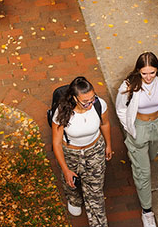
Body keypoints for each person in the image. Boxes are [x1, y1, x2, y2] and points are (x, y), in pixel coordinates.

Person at [115, 52, 158, 227]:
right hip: (139, 127)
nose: (148, 77)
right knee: (144, 172)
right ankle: (147, 211)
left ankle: (139, 161)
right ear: (138, 71)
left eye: (152, 72)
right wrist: (129, 128)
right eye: (144, 73)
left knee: (153, 153)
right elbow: (120, 108)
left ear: (157, 70)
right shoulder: (128, 86)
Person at [51, 76, 113, 227]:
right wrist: (66, 170)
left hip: (94, 150)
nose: (90, 104)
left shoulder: (99, 105)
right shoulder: (62, 113)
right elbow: (57, 143)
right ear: (74, 98)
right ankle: (74, 199)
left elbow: (105, 124)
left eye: (92, 98)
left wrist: (108, 145)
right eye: (85, 101)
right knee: (71, 182)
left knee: (95, 191)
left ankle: (99, 224)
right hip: (71, 153)